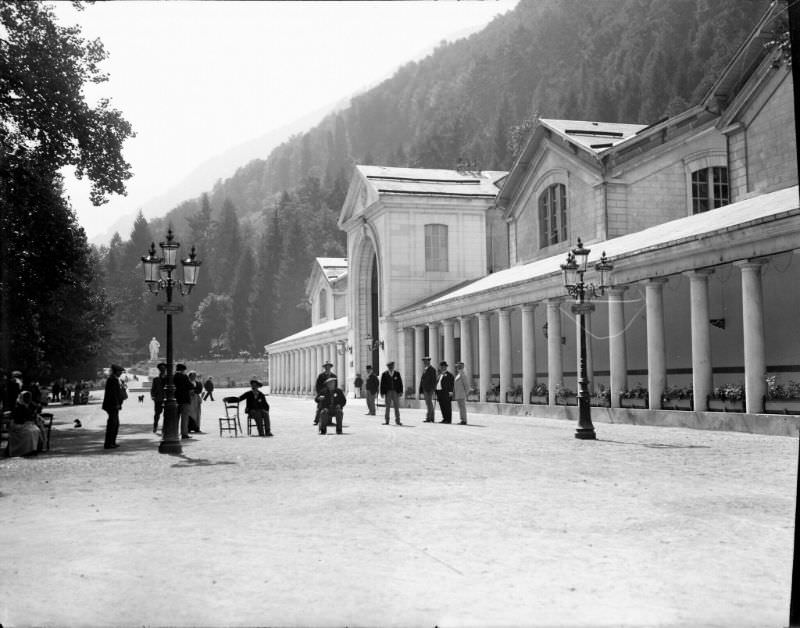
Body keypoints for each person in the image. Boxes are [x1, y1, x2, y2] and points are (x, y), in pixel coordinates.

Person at [7, 391, 45, 456]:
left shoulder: (30, 406)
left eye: (29, 397)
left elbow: (34, 413)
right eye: (26, 397)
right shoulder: (17, 407)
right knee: (30, 431)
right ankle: (25, 450)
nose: (28, 399)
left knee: (35, 430)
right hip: (18, 426)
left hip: (27, 425)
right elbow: (15, 420)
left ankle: (34, 448)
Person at [102, 364, 125, 450]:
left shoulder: (114, 379)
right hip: (112, 405)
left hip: (112, 405)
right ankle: (109, 443)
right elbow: (113, 394)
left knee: (114, 424)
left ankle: (112, 442)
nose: (120, 373)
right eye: (119, 372)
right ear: (115, 372)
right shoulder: (112, 380)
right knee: (112, 424)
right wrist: (117, 404)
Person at [379, 361, 403, 425]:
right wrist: (382, 393)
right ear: (388, 367)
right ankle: (387, 421)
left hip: (395, 392)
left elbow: (400, 383)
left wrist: (400, 391)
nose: (391, 367)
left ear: (393, 366)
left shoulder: (397, 374)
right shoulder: (384, 374)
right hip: (388, 392)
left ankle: (398, 421)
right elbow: (382, 384)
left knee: (396, 407)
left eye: (392, 366)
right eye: (390, 366)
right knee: (387, 407)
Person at [313, 361, 337, 425]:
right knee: (320, 406)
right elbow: (318, 385)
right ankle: (316, 420)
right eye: (326, 366)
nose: (328, 368)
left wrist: (335, 393)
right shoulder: (321, 376)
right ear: (325, 367)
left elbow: (335, 386)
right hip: (323, 393)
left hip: (331, 394)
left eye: (329, 366)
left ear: (330, 367)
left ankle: (329, 421)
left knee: (331, 406)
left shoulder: (334, 376)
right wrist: (319, 394)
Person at [173, 363, 192, 439]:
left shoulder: (173, 377)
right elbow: (190, 386)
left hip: (175, 399)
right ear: (183, 370)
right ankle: (184, 433)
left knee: (175, 418)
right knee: (184, 418)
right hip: (184, 399)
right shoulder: (184, 377)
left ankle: (174, 433)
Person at [419, 356, 437, 422]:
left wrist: (432, 389)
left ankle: (429, 418)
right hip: (425, 389)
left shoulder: (432, 369)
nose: (424, 362)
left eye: (425, 361)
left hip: (429, 389)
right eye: (424, 361)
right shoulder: (425, 369)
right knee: (428, 403)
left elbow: (433, 380)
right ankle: (431, 417)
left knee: (429, 403)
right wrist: (421, 389)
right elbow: (422, 380)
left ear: (428, 362)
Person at [150, 362, 166, 433]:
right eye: (161, 368)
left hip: (167, 399)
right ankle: (155, 426)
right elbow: (153, 388)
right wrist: (153, 396)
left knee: (166, 414)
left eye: (163, 368)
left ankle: (164, 428)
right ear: (159, 369)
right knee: (157, 413)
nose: (162, 370)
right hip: (158, 398)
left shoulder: (169, 378)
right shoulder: (155, 379)